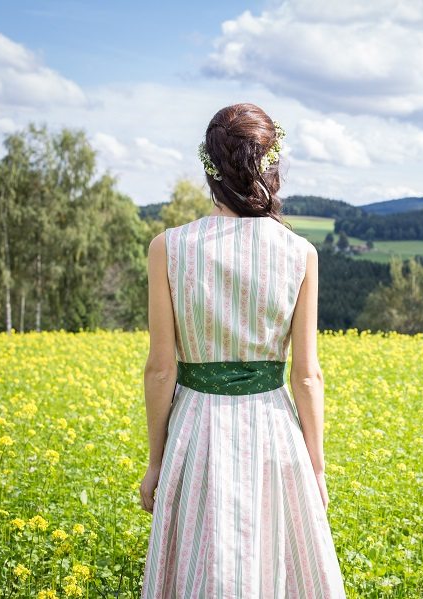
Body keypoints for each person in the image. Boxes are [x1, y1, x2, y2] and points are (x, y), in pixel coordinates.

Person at [138, 103, 347, 598]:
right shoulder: (300, 252)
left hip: (196, 432)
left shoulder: (168, 247)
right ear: (270, 166)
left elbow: (161, 370)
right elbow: (307, 377)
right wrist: (316, 468)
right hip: (274, 434)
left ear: (209, 168)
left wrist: (155, 462)